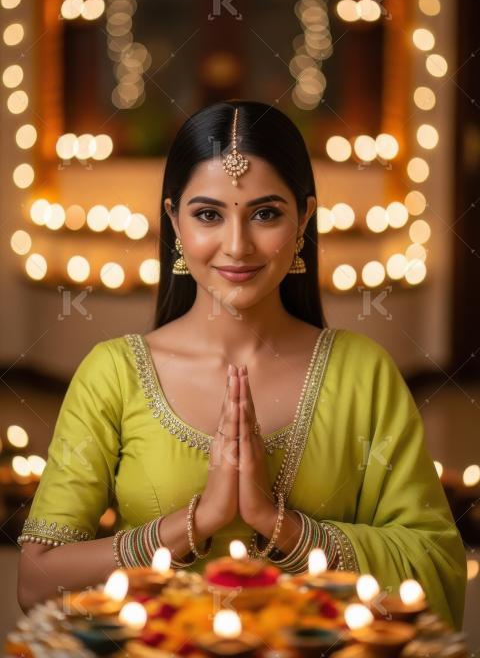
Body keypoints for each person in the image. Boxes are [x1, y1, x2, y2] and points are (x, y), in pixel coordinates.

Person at [17, 100, 466, 631]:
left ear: (303, 218)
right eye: (209, 214)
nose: (237, 246)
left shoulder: (363, 372)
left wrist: (280, 527)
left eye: (266, 213)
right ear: (174, 221)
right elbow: (37, 581)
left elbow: (436, 569)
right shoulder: (113, 374)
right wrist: (194, 524)